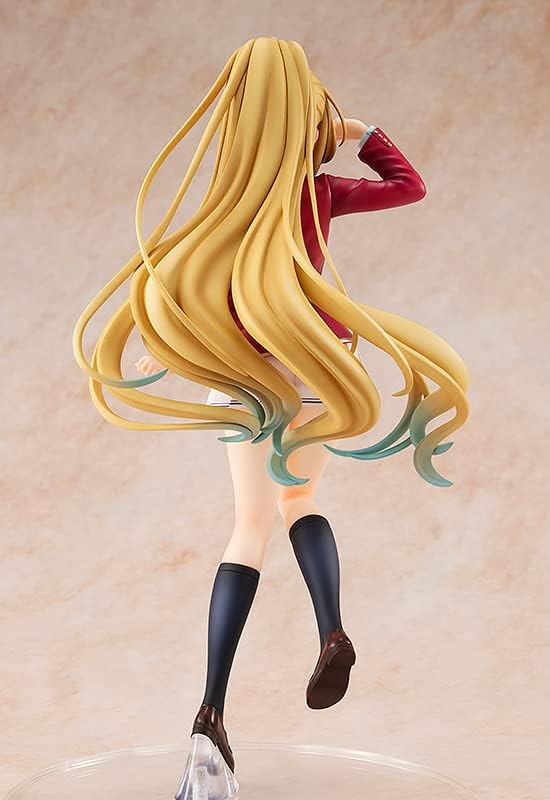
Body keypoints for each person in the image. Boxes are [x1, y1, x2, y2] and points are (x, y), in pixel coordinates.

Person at [73, 36, 470, 785]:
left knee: (248, 527)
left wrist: (164, 346)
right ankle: (332, 630)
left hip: (246, 374)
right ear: (305, 115)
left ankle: (211, 710)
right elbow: (409, 186)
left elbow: (188, 284)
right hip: (318, 363)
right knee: (303, 501)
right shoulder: (320, 193)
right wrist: (360, 132)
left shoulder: (225, 206)